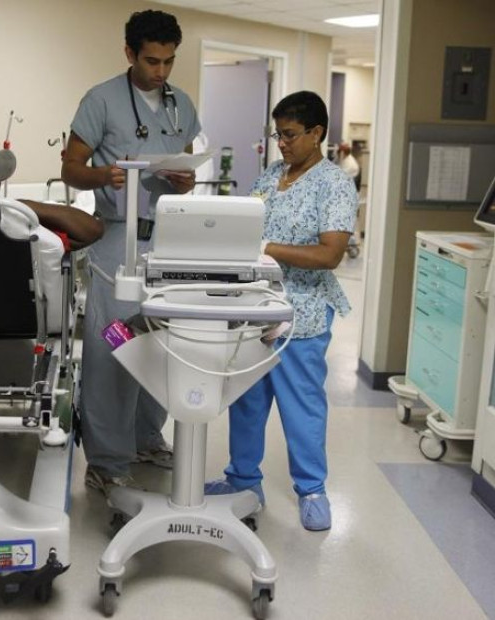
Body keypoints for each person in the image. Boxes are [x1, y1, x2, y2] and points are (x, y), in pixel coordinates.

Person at [61, 9, 201, 496]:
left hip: (167, 240)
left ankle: (145, 437)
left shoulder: (181, 104)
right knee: (114, 347)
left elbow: (183, 170)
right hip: (116, 241)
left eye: (168, 62)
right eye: (151, 61)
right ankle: (105, 460)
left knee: (160, 345)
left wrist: (186, 180)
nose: (160, 71)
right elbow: (71, 168)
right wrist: (104, 175)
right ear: (129, 53)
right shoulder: (100, 100)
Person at [204, 91, 358, 531]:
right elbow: (248, 225)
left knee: (301, 405)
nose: (282, 144)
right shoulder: (272, 176)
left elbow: (330, 254)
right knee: (248, 401)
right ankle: (243, 481)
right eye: (278, 134)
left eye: (290, 135)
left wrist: (266, 247)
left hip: (303, 313)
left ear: (316, 133)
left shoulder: (334, 184)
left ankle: (312, 489)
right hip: (255, 308)